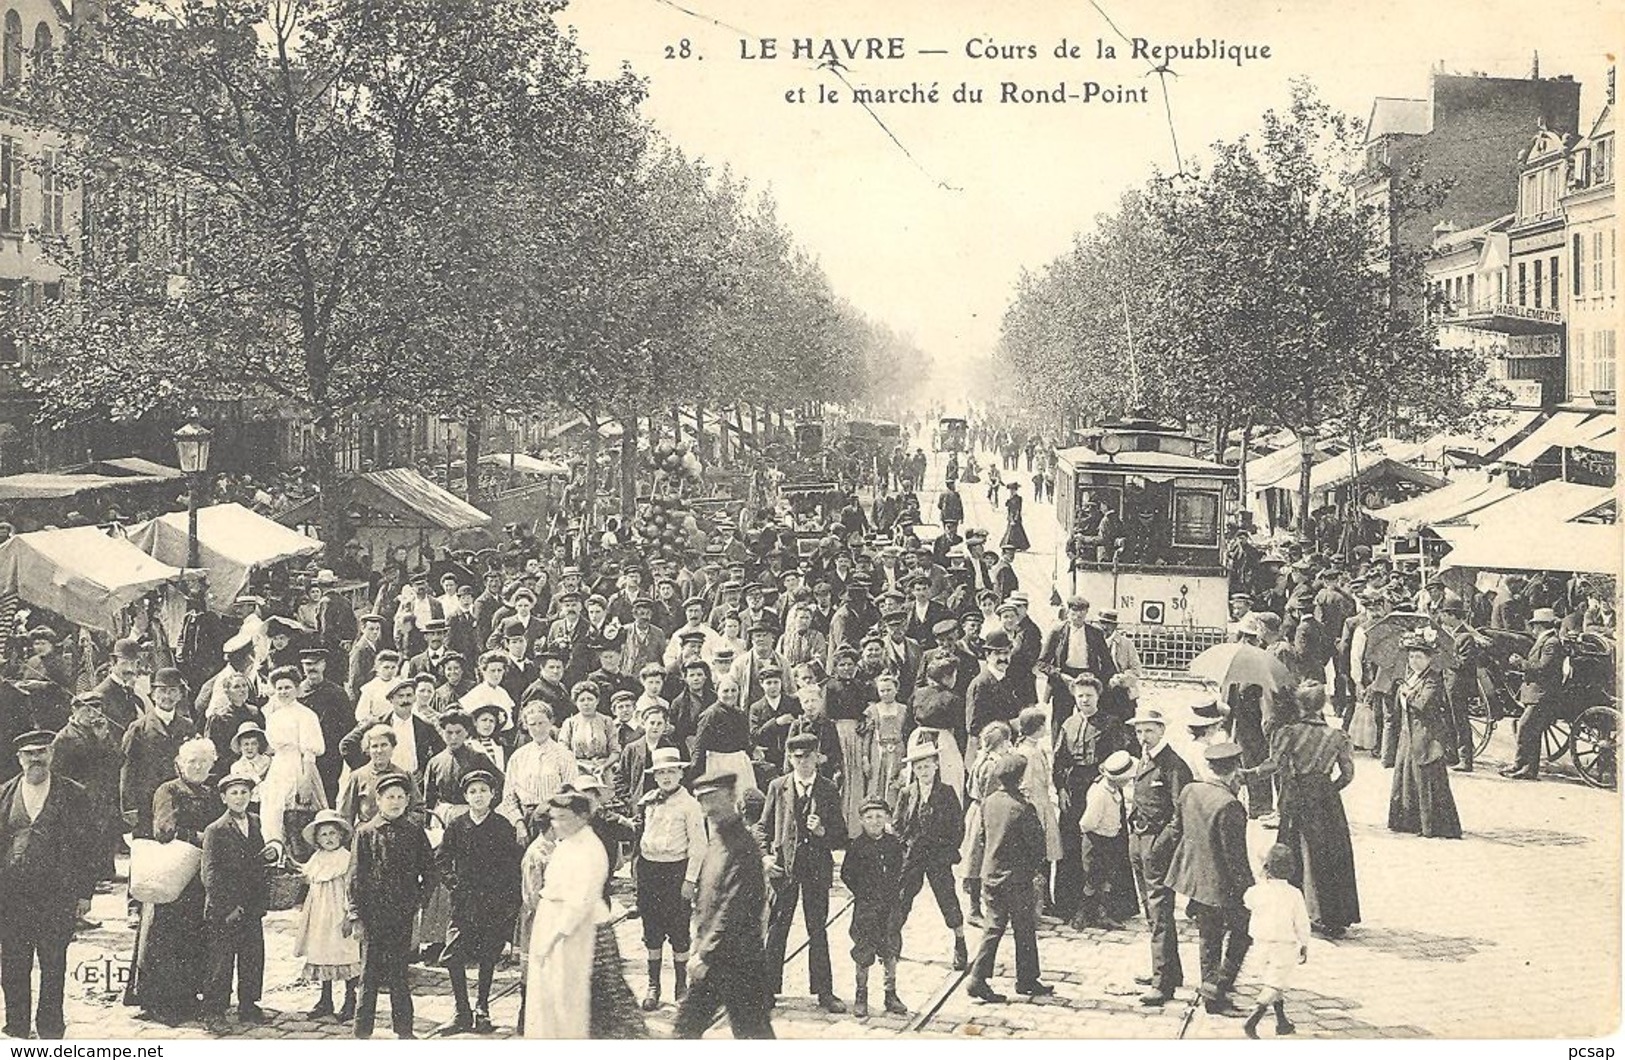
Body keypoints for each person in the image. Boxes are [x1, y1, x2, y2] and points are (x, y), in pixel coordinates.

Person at [0, 730, 97, 1040]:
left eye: (41, 751)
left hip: (57, 895)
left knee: (53, 964)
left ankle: (51, 1030)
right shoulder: (4, 795)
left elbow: (87, 847)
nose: (35, 759)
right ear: (19, 759)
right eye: (29, 754)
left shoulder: (74, 794)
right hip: (12, 896)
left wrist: (84, 893)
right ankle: (16, 1027)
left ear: (52, 755)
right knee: (13, 964)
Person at [1247, 682, 1360, 937]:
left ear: (1299, 705)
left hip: (1296, 795)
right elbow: (1348, 774)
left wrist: (1248, 774)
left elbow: (1272, 765)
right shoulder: (1338, 736)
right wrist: (1328, 789)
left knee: (1296, 850)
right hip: (1326, 798)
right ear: (1323, 705)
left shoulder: (1288, 733)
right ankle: (1332, 916)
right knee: (1329, 852)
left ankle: (1296, 913)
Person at [674, 768, 775, 1039]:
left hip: (737, 961)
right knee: (686, 1032)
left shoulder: (742, 846)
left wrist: (706, 954)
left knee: (751, 1034)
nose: (708, 807)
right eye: (703, 799)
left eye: (714, 798)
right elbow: (709, 902)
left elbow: (734, 907)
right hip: (719, 956)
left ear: (731, 796)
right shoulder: (718, 838)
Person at [125, 737, 219, 1023]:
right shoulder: (169, 790)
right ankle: (158, 1001)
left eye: (204, 761)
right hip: (172, 872)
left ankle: (187, 996)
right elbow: (164, 828)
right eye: (192, 761)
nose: (198, 766)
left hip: (198, 877)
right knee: (163, 936)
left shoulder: (211, 793)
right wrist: (201, 838)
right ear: (180, 764)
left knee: (193, 935)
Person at [758, 733, 848, 1012]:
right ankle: (766, 990)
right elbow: (762, 828)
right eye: (797, 758)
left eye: (808, 757)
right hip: (784, 869)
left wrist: (822, 830)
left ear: (817, 758)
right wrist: (764, 857)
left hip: (816, 870)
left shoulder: (828, 789)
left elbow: (841, 836)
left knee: (817, 929)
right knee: (777, 929)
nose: (803, 763)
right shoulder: (777, 786)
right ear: (790, 759)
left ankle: (824, 992)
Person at [1165, 742, 1254, 1015]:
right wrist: (1250, 893)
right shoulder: (1230, 805)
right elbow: (1235, 859)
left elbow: (1177, 829)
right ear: (1234, 770)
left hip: (1193, 879)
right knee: (1243, 932)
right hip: (1221, 885)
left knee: (1208, 937)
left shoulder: (1190, 790)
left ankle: (1209, 986)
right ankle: (1218, 991)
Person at [349, 772, 437, 1039]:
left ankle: (405, 1031)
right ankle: (362, 1032)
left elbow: (430, 872)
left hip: (401, 915)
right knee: (369, 975)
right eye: (390, 797)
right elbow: (354, 877)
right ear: (379, 800)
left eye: (400, 797)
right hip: (372, 916)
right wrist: (356, 915)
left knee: (400, 974)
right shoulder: (365, 833)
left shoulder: (414, 832)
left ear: (408, 800)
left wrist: (417, 901)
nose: (395, 802)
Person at [435, 769, 521, 1036]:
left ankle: (482, 1008)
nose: (478, 796)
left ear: (493, 794)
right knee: (453, 954)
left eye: (483, 790)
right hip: (464, 902)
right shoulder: (457, 825)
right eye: (473, 791)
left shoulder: (502, 826)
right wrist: (453, 883)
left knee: (487, 954)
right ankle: (462, 1010)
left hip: (492, 903)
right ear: (465, 796)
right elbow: (441, 857)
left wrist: (507, 901)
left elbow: (512, 866)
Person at [965, 752, 1050, 1003]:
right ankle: (1026, 979)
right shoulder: (1023, 808)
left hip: (991, 874)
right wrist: (1034, 871)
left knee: (993, 926)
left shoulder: (989, 802)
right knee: (1024, 928)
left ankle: (978, 977)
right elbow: (1037, 846)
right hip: (1017, 879)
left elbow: (982, 838)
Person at [524, 789, 605, 1038]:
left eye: (563, 818)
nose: (556, 824)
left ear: (581, 818)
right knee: (546, 998)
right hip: (550, 920)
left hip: (569, 933)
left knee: (566, 1000)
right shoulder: (567, 843)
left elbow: (580, 901)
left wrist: (554, 937)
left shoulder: (589, 848)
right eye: (554, 818)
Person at [1127, 705, 1191, 1007]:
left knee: (1160, 912)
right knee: (1151, 911)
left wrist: (1160, 844)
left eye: (1149, 730)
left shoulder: (1172, 765)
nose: (1143, 737)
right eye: (1139, 731)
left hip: (1156, 845)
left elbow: (1181, 813)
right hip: (1139, 840)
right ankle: (1170, 971)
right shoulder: (1143, 759)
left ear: (1162, 730)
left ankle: (1162, 982)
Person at [633, 747, 706, 1011]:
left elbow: (699, 845)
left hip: (676, 871)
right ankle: (653, 984)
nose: (666, 777)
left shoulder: (690, 805)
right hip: (650, 871)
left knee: (678, 930)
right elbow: (638, 841)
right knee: (651, 929)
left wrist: (690, 880)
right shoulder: (649, 801)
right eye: (661, 773)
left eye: (671, 772)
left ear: (680, 773)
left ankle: (681, 984)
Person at [199, 774, 269, 1028]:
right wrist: (228, 906)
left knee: (252, 956)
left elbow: (259, 861)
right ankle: (214, 1011)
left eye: (244, 792)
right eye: (234, 793)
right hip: (225, 908)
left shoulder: (255, 821)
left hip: (250, 905)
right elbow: (210, 874)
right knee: (221, 960)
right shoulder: (215, 830)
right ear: (223, 798)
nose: (240, 798)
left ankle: (249, 1005)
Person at [892, 742, 968, 970]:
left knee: (947, 898)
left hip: (938, 857)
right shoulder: (907, 793)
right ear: (913, 771)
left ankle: (960, 942)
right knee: (902, 897)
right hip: (913, 856)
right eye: (919, 768)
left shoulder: (946, 792)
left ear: (935, 766)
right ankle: (893, 941)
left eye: (927, 767)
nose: (923, 772)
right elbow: (897, 824)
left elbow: (958, 826)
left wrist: (947, 850)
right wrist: (905, 844)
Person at [1388, 634, 1463, 839]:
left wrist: (1407, 694)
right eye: (1411, 657)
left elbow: (1423, 704)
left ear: (1429, 659)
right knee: (1406, 777)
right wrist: (1399, 690)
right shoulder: (1410, 677)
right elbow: (1396, 708)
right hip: (1408, 734)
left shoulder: (1433, 679)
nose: (1414, 661)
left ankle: (1432, 824)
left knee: (1426, 779)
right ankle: (1407, 822)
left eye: (1419, 657)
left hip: (1426, 735)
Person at [840, 798, 909, 1018]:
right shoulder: (856, 846)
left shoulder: (893, 843)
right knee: (863, 950)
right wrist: (862, 893)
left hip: (889, 908)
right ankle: (861, 995)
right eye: (869, 817)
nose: (874, 821)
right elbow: (846, 874)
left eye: (879, 816)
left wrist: (894, 891)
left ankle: (891, 994)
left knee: (890, 949)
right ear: (861, 820)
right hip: (866, 909)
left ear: (887, 818)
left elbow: (901, 869)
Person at [293, 810, 361, 1023]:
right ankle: (325, 999)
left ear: (341, 836)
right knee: (322, 953)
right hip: (319, 915)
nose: (329, 838)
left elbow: (352, 889)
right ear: (316, 839)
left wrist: (351, 916)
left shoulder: (347, 859)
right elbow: (308, 877)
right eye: (323, 835)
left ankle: (351, 999)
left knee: (345, 954)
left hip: (339, 913)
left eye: (333, 833)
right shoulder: (317, 858)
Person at [1241, 844, 1310, 1039]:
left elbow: (1247, 901)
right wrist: (1304, 944)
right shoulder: (1294, 894)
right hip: (1284, 946)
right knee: (1274, 985)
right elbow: (1302, 923)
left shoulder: (1256, 891)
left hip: (1260, 944)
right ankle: (1254, 1018)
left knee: (1273, 981)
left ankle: (1282, 1022)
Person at [258, 666, 329, 851]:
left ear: (297, 689)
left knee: (298, 814)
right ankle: (278, 854)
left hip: (300, 765)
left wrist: (305, 781)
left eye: (287, 687)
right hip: (279, 767)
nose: (283, 692)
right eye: (279, 688)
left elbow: (310, 752)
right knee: (273, 813)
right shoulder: (273, 716)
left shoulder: (305, 715)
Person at [1502, 607, 1567, 780]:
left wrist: (1520, 663)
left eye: (1534, 625)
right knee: (1531, 729)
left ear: (1539, 626)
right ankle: (1523, 766)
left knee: (1525, 727)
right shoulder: (1546, 641)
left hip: (1543, 694)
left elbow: (1543, 668)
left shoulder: (1551, 642)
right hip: (1537, 693)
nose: (1532, 629)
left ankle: (1526, 767)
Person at [1013, 706, 1062, 910]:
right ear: (1038, 727)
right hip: (1036, 806)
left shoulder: (1034, 749)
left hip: (1043, 803)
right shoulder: (1028, 753)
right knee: (1041, 854)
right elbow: (1027, 785)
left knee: (1047, 853)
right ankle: (1040, 901)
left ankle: (1045, 899)